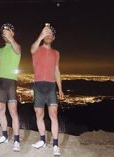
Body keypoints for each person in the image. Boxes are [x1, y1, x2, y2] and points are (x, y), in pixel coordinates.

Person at [30, 23, 64, 156]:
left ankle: (55, 144)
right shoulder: (37, 49)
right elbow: (32, 49)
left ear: (54, 38)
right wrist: (41, 35)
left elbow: (57, 71)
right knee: (39, 114)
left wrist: (60, 88)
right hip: (38, 85)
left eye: (51, 34)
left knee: (53, 115)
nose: (48, 36)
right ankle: (42, 140)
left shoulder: (56, 53)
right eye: (46, 34)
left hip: (51, 86)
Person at [0, 23, 21, 151]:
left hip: (11, 82)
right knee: (0, 109)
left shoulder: (16, 46)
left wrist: (11, 38)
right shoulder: (0, 50)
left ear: (12, 33)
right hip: (0, 82)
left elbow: (18, 50)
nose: (5, 33)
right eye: (3, 32)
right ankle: (4, 135)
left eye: (8, 31)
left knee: (13, 111)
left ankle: (17, 140)